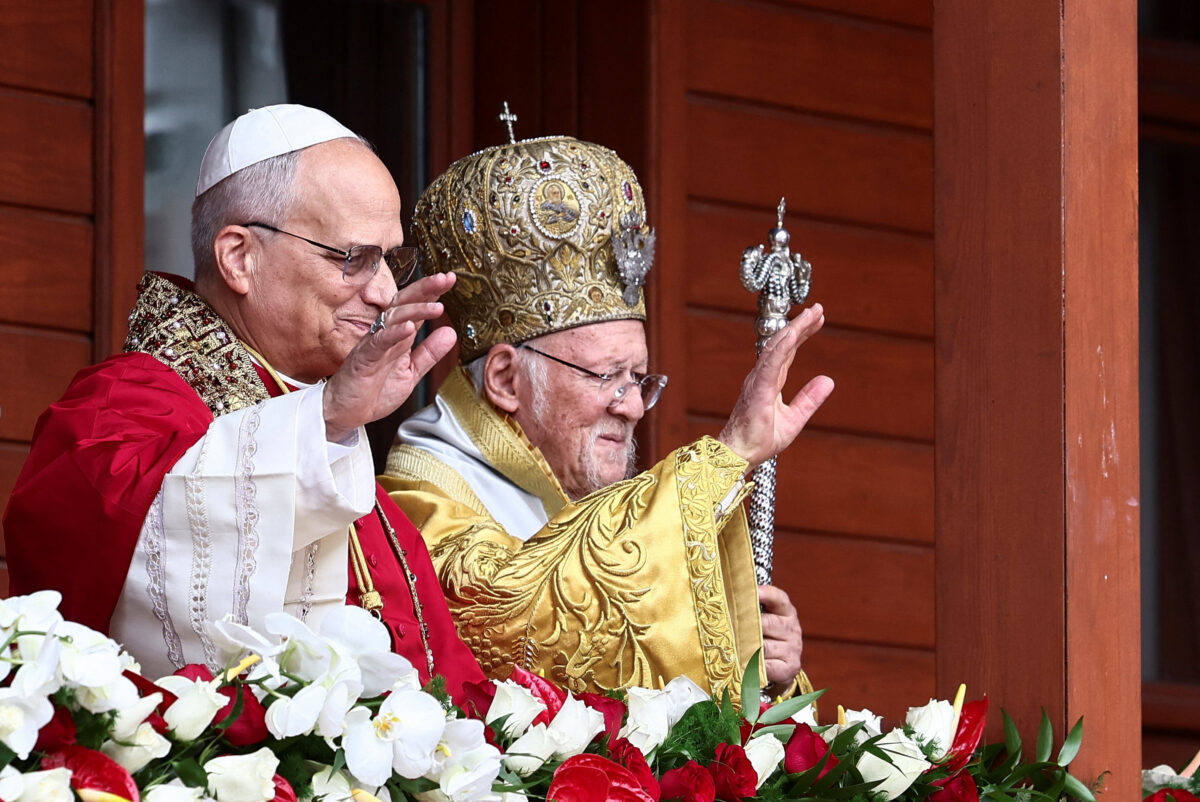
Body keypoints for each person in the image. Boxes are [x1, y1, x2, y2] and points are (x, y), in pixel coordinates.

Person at [3, 104, 484, 702]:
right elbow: (100, 547)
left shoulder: (320, 431)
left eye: (391, 259)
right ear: (239, 258)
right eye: (353, 258)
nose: (385, 290)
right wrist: (328, 419)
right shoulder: (119, 406)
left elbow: (443, 677)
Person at [379, 134, 834, 701]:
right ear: (504, 380)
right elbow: (524, 618)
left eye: (640, 379)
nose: (635, 405)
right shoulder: (417, 501)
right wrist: (731, 452)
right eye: (606, 377)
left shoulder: (585, 489)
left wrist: (757, 649)